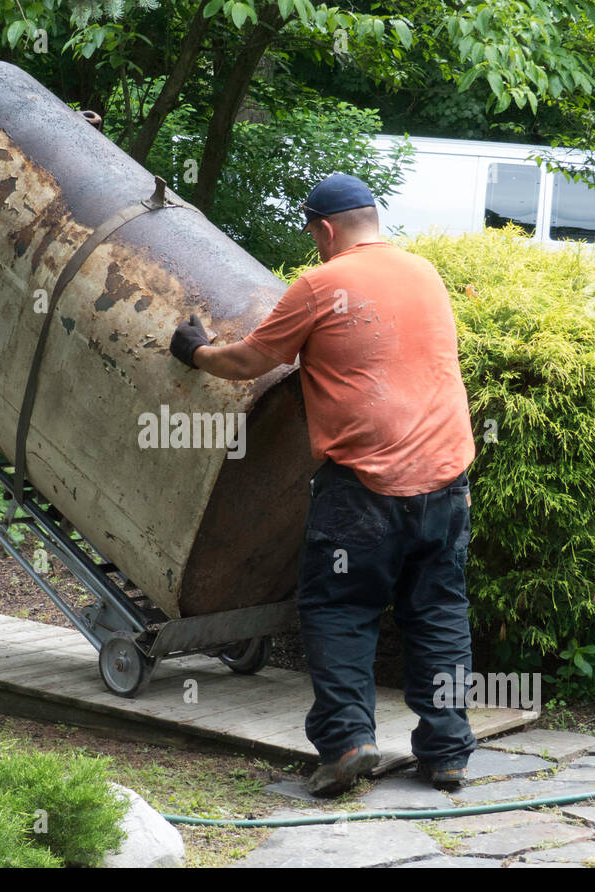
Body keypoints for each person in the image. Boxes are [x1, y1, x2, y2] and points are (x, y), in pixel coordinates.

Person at [169, 173, 477, 797]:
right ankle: (446, 753)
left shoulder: (322, 283)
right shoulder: (425, 273)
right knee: (438, 610)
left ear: (326, 229)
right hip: (447, 480)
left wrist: (197, 352)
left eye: (313, 233)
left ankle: (347, 744)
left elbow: (251, 362)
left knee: (338, 609)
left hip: (364, 487)